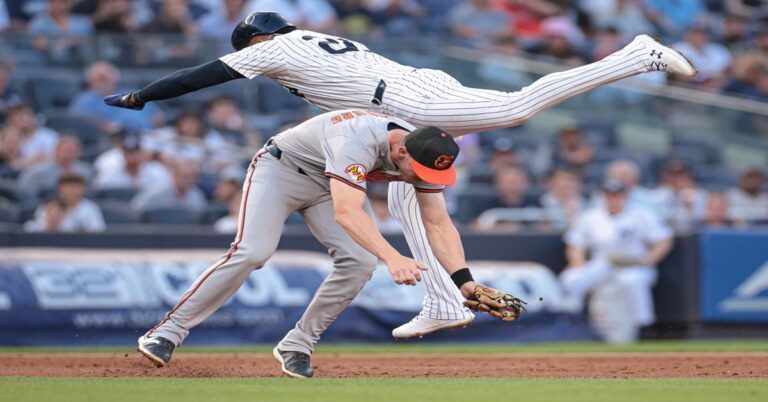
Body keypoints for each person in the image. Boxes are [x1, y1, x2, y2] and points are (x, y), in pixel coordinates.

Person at [104, 10, 697, 339]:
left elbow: (203, 75)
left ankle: (634, 56)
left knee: (515, 108)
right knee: (413, 199)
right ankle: (445, 300)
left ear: (258, 41)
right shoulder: (318, 35)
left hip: (408, 105)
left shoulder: (269, 48)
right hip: (414, 90)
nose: (254, 56)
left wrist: (143, 96)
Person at [136, 110, 524, 377]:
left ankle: (297, 346)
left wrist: (464, 282)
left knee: (358, 263)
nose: (418, 177)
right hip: (284, 169)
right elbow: (348, 213)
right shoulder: (355, 139)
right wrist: (392, 257)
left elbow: (438, 222)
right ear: (401, 150)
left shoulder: (424, 153)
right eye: (415, 170)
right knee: (253, 251)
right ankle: (167, 332)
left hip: (331, 185)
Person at [559, 180, 673, 341]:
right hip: (603, 263)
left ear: (625, 196)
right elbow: (575, 244)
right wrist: (578, 263)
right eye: (609, 196)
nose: (612, 199)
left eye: (617, 195)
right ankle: (571, 319)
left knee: (631, 281)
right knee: (571, 278)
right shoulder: (591, 216)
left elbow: (664, 240)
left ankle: (645, 327)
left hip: (633, 264)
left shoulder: (641, 214)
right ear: (603, 197)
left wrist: (649, 259)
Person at [69, 61, 165, 133]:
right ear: (90, 82)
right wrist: (106, 127)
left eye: (105, 78)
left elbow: (157, 116)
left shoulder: (130, 92)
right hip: (114, 141)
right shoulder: (84, 100)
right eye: (99, 79)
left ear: (116, 78)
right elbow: (81, 122)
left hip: (147, 135)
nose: (103, 83)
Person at [23, 173, 106, 232]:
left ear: (84, 189)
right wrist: (51, 224)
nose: (72, 191)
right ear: (60, 189)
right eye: (69, 187)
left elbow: (97, 232)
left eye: (76, 187)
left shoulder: (90, 208)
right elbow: (34, 228)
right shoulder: (49, 206)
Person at [16, 136, 93, 198]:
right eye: (66, 150)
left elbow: (89, 194)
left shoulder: (85, 171)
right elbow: (26, 195)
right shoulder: (38, 172)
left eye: (73, 151)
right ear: (56, 150)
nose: (69, 154)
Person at [130, 160, 207, 214]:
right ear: (174, 175)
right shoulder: (157, 191)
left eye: (192, 177)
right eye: (185, 176)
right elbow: (136, 207)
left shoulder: (197, 196)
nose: (188, 180)